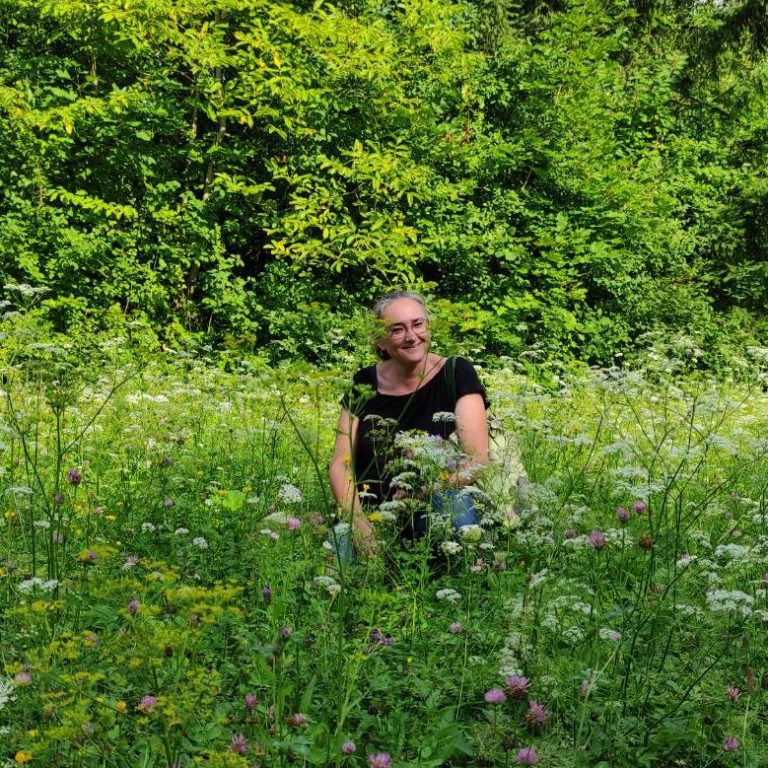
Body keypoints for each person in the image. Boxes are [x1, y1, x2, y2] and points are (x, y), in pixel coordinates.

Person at [328, 291, 489, 555]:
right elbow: (339, 463)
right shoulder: (364, 383)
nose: (412, 336)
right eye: (397, 330)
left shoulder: (456, 373)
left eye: (418, 324)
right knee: (336, 572)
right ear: (379, 340)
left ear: (428, 326)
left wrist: (424, 492)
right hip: (372, 509)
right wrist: (358, 523)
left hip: (437, 498)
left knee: (458, 528)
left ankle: (468, 580)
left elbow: (476, 459)